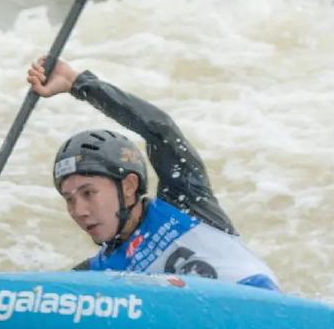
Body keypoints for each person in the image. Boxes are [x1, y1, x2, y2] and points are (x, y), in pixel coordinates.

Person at [27, 56, 280, 291]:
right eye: (69, 199)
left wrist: (77, 83)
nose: (79, 211)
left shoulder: (185, 203)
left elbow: (161, 130)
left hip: (268, 316)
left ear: (128, 186)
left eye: (88, 193)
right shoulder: (96, 274)